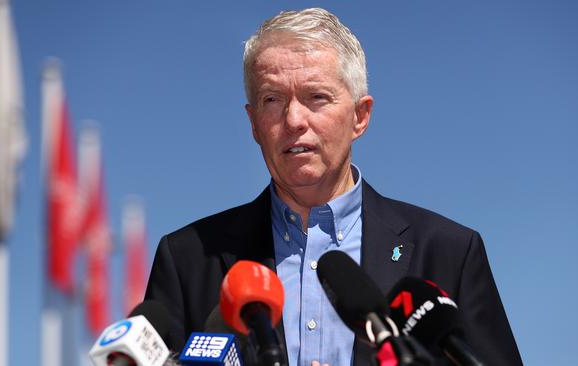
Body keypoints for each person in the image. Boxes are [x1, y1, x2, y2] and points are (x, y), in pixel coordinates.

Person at [145, 7, 522, 366]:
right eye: (272, 100)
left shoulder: (448, 253)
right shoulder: (187, 259)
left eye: (316, 98)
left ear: (360, 116)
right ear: (254, 123)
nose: (293, 119)